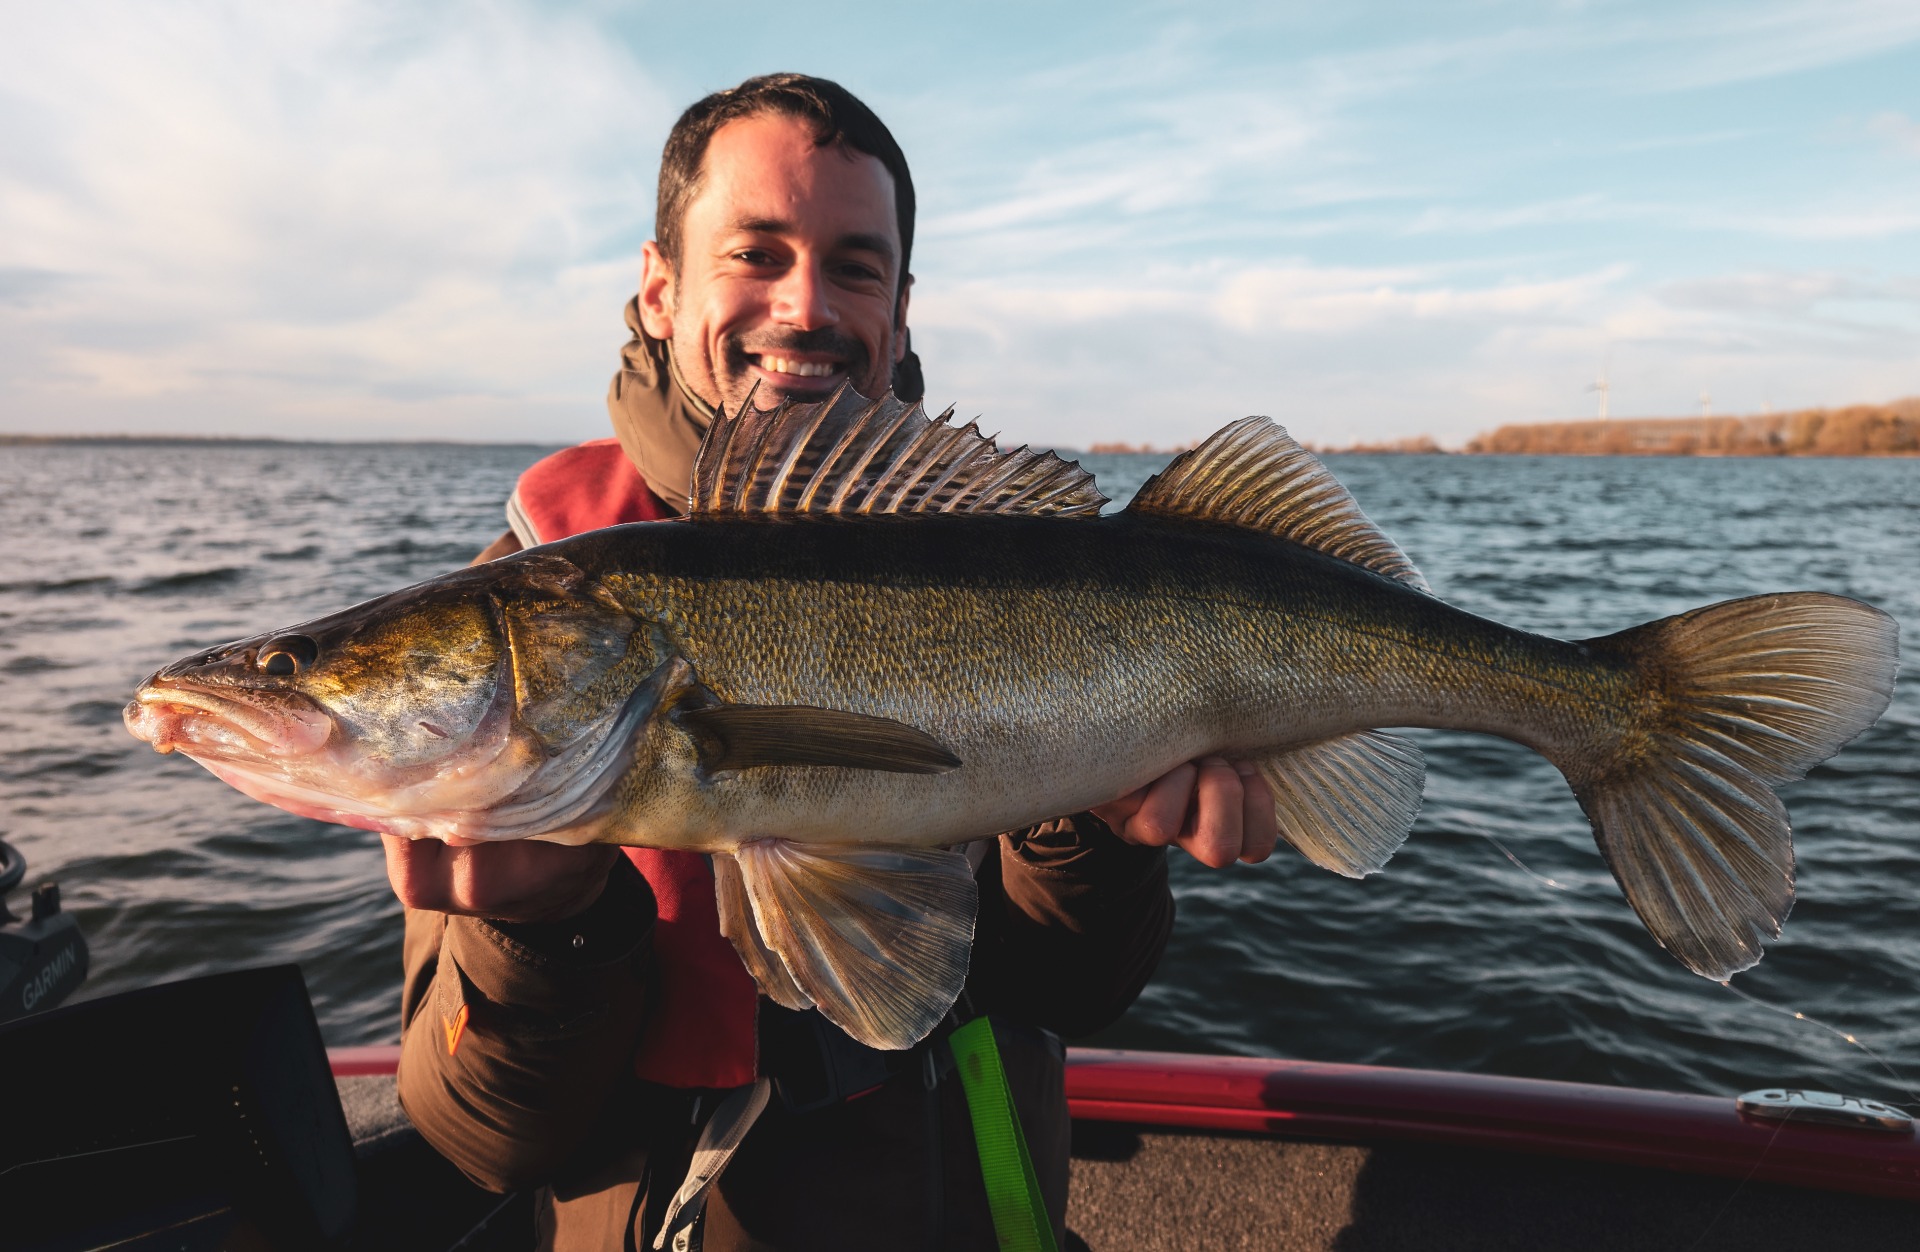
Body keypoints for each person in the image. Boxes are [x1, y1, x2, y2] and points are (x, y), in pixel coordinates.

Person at [385, 73, 1278, 1250]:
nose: (805, 305)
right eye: (755, 252)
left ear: (901, 312)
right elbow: (489, 1141)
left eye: (855, 265)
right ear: (659, 289)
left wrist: (1097, 832)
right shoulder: (527, 607)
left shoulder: (1005, 558)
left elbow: (1067, 993)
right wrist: (543, 935)